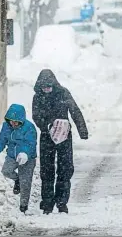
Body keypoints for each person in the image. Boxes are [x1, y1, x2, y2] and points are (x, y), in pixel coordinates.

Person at [32, 69, 89, 215]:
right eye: (44, 88)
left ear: (54, 85)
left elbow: (75, 111)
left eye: (49, 87)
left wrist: (82, 130)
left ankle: (62, 202)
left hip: (64, 135)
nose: (47, 90)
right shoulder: (37, 97)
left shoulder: (63, 93)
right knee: (46, 170)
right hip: (46, 136)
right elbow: (36, 116)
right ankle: (47, 203)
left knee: (65, 168)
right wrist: (47, 126)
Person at [0, 104, 37, 213]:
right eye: (11, 121)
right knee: (6, 171)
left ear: (21, 120)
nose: (13, 124)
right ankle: (17, 180)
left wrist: (25, 153)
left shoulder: (29, 127)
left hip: (27, 158)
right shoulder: (6, 126)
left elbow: (30, 143)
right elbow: (2, 140)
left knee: (25, 183)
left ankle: (23, 206)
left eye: (16, 122)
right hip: (12, 155)